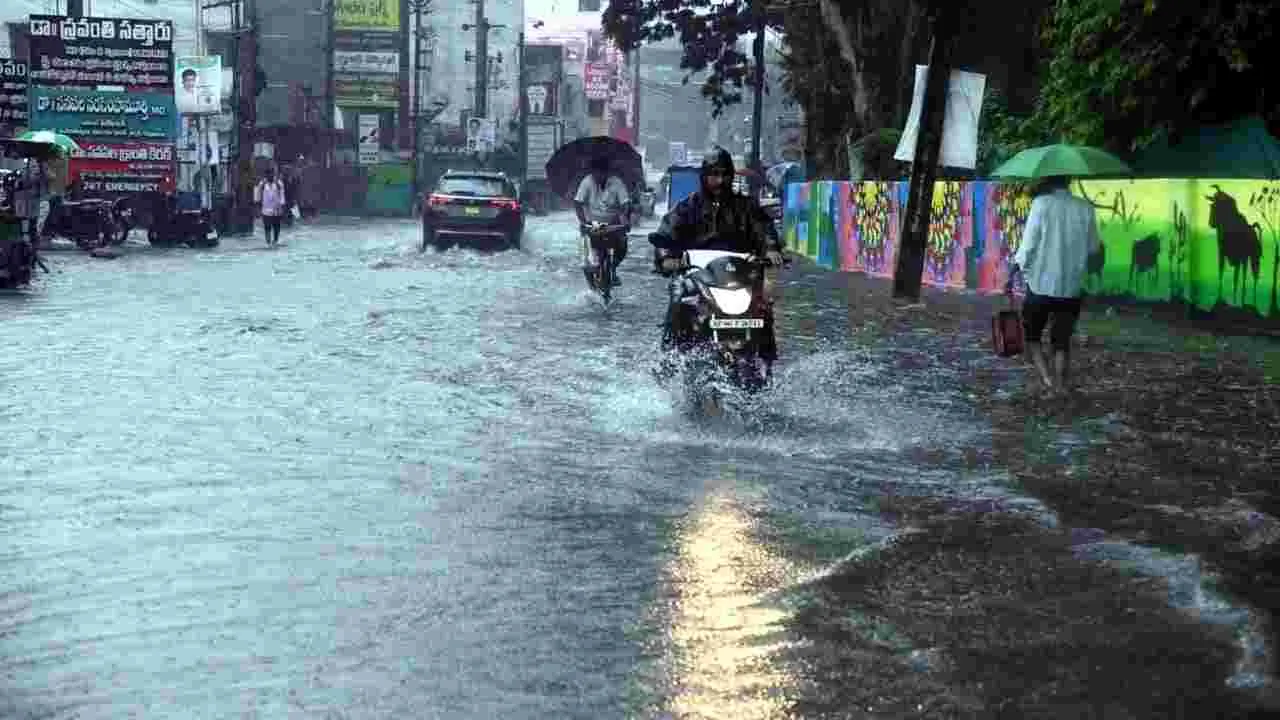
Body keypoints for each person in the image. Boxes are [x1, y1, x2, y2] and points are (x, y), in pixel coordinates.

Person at [648, 146, 785, 362]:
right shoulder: (687, 207)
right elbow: (666, 233)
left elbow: (764, 230)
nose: (720, 180)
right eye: (714, 174)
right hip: (697, 275)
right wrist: (666, 258)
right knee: (678, 298)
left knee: (763, 307)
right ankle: (669, 359)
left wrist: (771, 249)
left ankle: (766, 361)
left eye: (724, 174)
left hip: (739, 277)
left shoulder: (747, 207)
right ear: (704, 177)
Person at [1007, 174, 1102, 394]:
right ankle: (1061, 385)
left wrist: (1012, 271)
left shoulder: (1041, 204)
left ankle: (1047, 380)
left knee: (1032, 336)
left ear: (1048, 181)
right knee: (1061, 341)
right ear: (1068, 181)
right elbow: (1094, 249)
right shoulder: (1085, 208)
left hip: (1040, 284)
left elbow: (1028, 246)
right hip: (1071, 287)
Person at [574, 155, 632, 286]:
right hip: (591, 224)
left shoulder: (617, 182)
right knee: (586, 261)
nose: (598, 176)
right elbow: (578, 203)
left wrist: (624, 218)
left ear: (607, 172)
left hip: (612, 224)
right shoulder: (587, 181)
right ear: (593, 172)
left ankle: (613, 269)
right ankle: (591, 286)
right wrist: (583, 222)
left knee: (622, 246)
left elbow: (625, 204)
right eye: (596, 172)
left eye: (601, 172)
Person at [254, 167, 287, 247]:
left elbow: (282, 196)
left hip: (277, 210)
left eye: (272, 174)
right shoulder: (262, 184)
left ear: (274, 174)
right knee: (267, 227)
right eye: (269, 175)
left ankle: (275, 241)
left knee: (276, 228)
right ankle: (268, 244)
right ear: (266, 175)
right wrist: (257, 208)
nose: (270, 176)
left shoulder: (279, 183)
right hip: (266, 211)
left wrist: (282, 207)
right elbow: (257, 197)